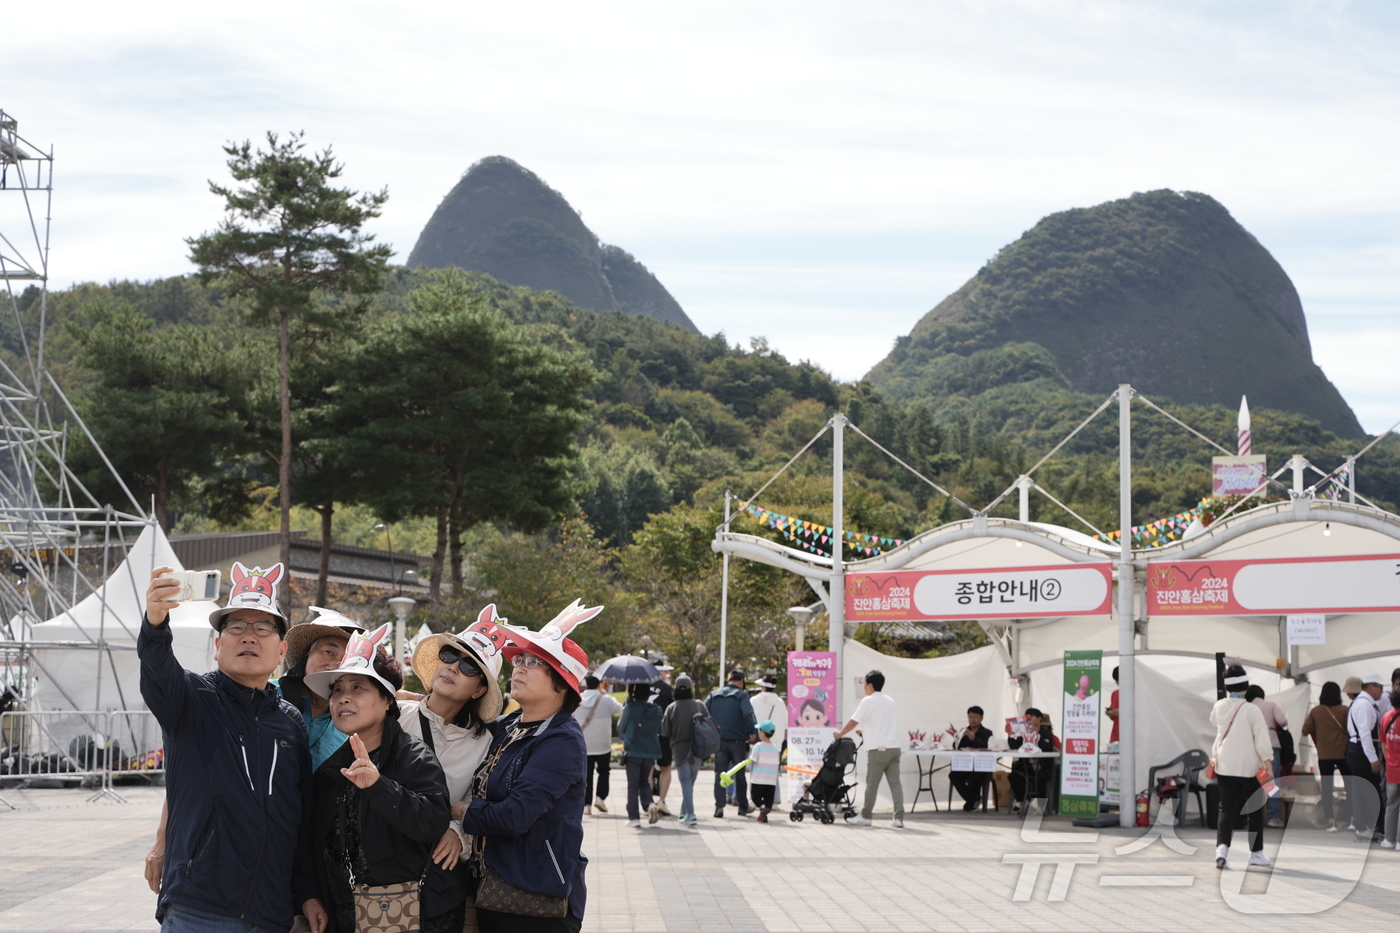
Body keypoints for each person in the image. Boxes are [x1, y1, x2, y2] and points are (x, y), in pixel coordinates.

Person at [138, 563, 327, 933]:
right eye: (236, 627)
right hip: (199, 909)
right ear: (217, 645)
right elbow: (158, 670)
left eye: (263, 628)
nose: (249, 637)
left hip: (271, 913)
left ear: (282, 651)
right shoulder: (192, 700)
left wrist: (306, 891)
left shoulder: (290, 723)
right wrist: (155, 623)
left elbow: (298, 819)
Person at [143, 605, 363, 898]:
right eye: (329, 651)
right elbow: (194, 767)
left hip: (306, 859)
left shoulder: (354, 719)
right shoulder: (260, 693)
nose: (335, 663)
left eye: (347, 658)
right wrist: (163, 838)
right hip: (224, 874)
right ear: (303, 655)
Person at [306, 624, 467, 933]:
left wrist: (379, 787)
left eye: (358, 688)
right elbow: (310, 841)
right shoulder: (331, 769)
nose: (343, 698)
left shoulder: (415, 758)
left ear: (387, 701)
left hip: (418, 916)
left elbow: (432, 822)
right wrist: (309, 895)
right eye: (337, 690)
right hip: (345, 916)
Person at [460, 599, 598, 933]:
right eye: (519, 658)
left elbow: (514, 816)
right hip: (487, 886)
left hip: (533, 896)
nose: (518, 666)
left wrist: (459, 812)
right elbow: (457, 723)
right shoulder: (509, 724)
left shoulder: (561, 740)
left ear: (562, 684)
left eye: (533, 662)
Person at [400, 605, 506, 891]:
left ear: (479, 690)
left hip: (433, 874)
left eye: (469, 666)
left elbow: (476, 801)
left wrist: (457, 833)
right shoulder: (393, 715)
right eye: (448, 656)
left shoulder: (484, 744)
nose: (453, 667)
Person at [1211, 665, 1274, 869]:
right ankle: (1256, 853)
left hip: (1225, 766)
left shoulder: (1219, 706)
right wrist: (1269, 765)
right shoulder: (1252, 710)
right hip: (1250, 768)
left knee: (1226, 809)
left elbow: (1214, 722)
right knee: (1254, 810)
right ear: (1246, 687)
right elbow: (1262, 741)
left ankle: (1222, 851)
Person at [835, 669, 905, 829]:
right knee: (895, 784)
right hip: (894, 748)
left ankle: (866, 816)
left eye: (865, 684)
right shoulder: (890, 701)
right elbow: (881, 724)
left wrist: (840, 733)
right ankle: (899, 818)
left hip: (877, 750)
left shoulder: (868, 701)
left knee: (872, 784)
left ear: (870, 685)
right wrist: (864, 731)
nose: (864, 687)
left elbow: (854, 721)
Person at [707, 669, 758, 818]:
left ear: (729, 680)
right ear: (741, 682)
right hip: (737, 742)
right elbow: (748, 714)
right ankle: (742, 806)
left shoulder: (714, 694)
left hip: (719, 741)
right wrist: (751, 732)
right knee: (739, 775)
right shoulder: (742, 695)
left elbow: (704, 712)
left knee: (720, 774)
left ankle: (719, 807)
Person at [1301, 681, 1350, 832]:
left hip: (1325, 755)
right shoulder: (1345, 710)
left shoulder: (1316, 711)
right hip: (1344, 754)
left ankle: (1331, 821)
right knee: (1351, 786)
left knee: (1327, 789)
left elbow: (1305, 730)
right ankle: (1352, 819)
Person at [661, 674, 710, 826]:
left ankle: (690, 814)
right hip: (698, 749)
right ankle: (684, 811)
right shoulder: (699, 705)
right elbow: (709, 725)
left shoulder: (672, 708)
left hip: (679, 750)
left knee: (685, 783)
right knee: (689, 783)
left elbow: (665, 732)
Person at [1346, 672, 1386, 843]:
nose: (1381, 692)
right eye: (1380, 688)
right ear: (1371, 687)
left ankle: (1363, 827)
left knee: (1360, 791)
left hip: (1357, 749)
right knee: (1371, 790)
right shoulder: (1364, 705)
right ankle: (1377, 827)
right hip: (1361, 750)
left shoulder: (1362, 703)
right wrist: (1373, 758)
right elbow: (1364, 733)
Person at [574, 674, 622, 816]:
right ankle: (600, 799)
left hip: (584, 744)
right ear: (599, 685)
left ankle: (586, 805)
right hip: (603, 744)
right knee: (603, 771)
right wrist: (605, 694)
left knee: (586, 775)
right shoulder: (606, 699)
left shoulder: (578, 699)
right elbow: (620, 711)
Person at [619, 682, 664, 827]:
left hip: (633, 751)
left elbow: (620, 727)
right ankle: (650, 804)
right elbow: (661, 729)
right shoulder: (657, 709)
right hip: (650, 752)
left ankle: (634, 818)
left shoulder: (631, 708)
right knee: (644, 781)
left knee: (632, 785)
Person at [1245, 684, 1289, 827]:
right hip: (1271, 746)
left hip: (1251, 747)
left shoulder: (1246, 707)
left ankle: (1249, 815)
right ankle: (1273, 817)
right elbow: (1283, 721)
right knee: (1272, 781)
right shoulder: (1271, 705)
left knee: (1251, 781)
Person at [1006, 707, 1061, 810]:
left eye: (1031, 717)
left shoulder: (1047, 735)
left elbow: (1045, 748)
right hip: (1026, 766)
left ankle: (1040, 805)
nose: (1029, 720)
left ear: (1039, 718)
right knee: (1014, 776)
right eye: (1027, 718)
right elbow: (1014, 746)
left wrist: (1035, 735)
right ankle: (1023, 801)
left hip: (1043, 767)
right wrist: (1011, 734)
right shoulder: (1022, 733)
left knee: (1040, 778)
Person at [950, 705, 993, 811]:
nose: (972, 720)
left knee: (975, 775)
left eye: (976, 717)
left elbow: (987, 747)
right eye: (970, 717)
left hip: (982, 765)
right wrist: (957, 738)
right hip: (966, 764)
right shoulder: (964, 731)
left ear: (981, 718)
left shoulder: (987, 733)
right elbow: (957, 748)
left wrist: (974, 738)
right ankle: (973, 798)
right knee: (954, 775)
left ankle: (972, 800)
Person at [648, 665, 675, 813]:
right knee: (666, 768)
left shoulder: (640, 687)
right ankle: (661, 801)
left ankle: (648, 802)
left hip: (645, 734)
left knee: (648, 768)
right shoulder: (667, 690)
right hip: (664, 733)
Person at [749, 720, 781, 822]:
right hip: (771, 780)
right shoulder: (775, 748)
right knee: (768, 800)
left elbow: (753, 759)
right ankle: (764, 815)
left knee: (756, 797)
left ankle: (763, 808)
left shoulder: (758, 746)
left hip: (758, 779)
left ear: (762, 732)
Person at [1382, 687, 1400, 849]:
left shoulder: (1386, 717)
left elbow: (1383, 744)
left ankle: (1389, 839)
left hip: (1391, 769)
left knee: (1391, 805)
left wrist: (1389, 761)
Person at [1105, 666, 1120, 744]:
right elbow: (1113, 718)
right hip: (1116, 736)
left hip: (1132, 736)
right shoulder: (1115, 693)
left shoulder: (1137, 692)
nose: (1118, 683)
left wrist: (1119, 712)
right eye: (1117, 681)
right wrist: (1110, 714)